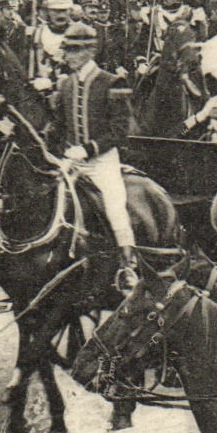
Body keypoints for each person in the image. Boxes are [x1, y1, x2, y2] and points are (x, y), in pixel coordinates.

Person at [49, 21, 140, 291]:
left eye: (76, 50)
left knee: (114, 206)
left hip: (102, 162)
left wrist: (88, 149)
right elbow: (59, 126)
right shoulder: (65, 84)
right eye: (68, 50)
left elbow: (119, 131)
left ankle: (128, 265)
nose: (70, 56)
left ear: (90, 51)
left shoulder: (111, 82)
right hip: (72, 161)